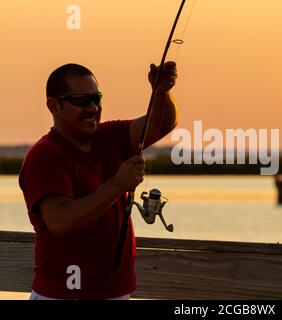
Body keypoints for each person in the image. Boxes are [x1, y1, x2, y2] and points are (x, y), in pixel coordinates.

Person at [19, 62, 178, 300]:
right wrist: (118, 185)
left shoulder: (110, 136)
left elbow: (161, 123)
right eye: (81, 100)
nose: (93, 107)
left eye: (96, 98)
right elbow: (60, 221)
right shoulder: (44, 156)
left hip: (115, 293)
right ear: (54, 106)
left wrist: (161, 92)